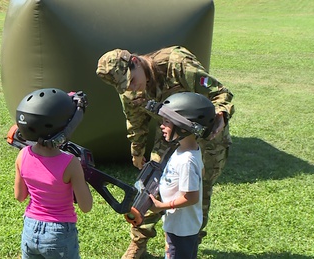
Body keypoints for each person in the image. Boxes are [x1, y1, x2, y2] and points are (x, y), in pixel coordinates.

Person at [96, 46, 235, 258]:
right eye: (125, 86)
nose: (132, 87)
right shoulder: (127, 87)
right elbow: (135, 121)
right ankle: (139, 242)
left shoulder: (176, 63)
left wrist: (221, 114)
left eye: (132, 80)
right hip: (171, 136)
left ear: (135, 61)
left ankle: (190, 241)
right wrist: (137, 151)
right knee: (151, 184)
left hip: (209, 136)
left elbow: (221, 93)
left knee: (199, 190)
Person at [13, 88, 93, 259]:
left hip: (30, 229)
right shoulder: (70, 163)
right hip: (58, 234)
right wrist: (81, 174)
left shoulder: (23, 155)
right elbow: (86, 206)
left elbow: (20, 196)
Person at [147, 92, 216, 259]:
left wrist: (160, 206)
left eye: (166, 122)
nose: (161, 126)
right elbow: (201, 173)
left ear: (184, 127)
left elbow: (191, 197)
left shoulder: (187, 160)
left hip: (181, 229)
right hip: (182, 225)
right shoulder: (188, 149)